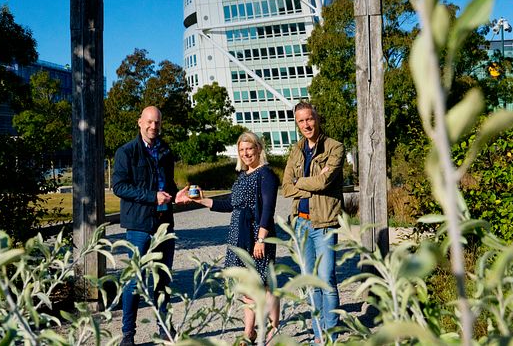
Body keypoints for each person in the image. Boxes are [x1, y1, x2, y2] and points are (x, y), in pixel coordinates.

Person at [180, 131, 280, 344]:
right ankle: (248, 332)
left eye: (249, 149)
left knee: (263, 285)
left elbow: (268, 210)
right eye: (242, 150)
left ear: (258, 149)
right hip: (238, 235)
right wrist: (203, 201)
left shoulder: (266, 175)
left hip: (256, 235)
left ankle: (273, 327)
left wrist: (261, 239)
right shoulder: (242, 176)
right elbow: (230, 205)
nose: (245, 154)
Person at [113, 106, 182, 346]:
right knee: (135, 280)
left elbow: (168, 185)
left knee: (163, 279)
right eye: (150, 122)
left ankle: (164, 327)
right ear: (139, 122)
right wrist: (152, 197)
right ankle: (128, 334)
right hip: (139, 226)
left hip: (165, 224)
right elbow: (119, 186)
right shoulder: (126, 152)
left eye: (158, 123)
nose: (154, 127)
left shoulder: (165, 150)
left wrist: (178, 194)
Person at [281, 101, 345, 343]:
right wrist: (309, 182)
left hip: (325, 223)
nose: (306, 124)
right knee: (310, 283)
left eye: (309, 119)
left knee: (326, 278)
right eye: (301, 121)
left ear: (317, 119)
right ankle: (319, 336)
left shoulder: (334, 147)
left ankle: (332, 336)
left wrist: (301, 182)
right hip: (301, 224)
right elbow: (286, 187)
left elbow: (324, 182)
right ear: (297, 124)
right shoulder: (296, 151)